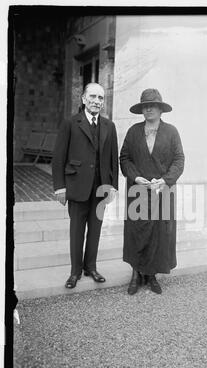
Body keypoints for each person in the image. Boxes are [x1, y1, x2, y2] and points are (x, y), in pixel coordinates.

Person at [52, 83, 118, 289]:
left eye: (100, 98)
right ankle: (75, 272)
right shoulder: (70, 123)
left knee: (96, 230)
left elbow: (113, 159)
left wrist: (113, 186)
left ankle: (91, 267)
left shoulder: (109, 126)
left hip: (100, 188)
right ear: (83, 99)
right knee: (77, 230)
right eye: (93, 96)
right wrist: (59, 187)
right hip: (77, 186)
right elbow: (58, 157)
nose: (97, 101)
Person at [120, 88, 184, 295]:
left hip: (162, 191)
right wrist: (136, 177)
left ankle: (152, 274)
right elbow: (125, 158)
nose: (148, 109)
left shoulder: (171, 132)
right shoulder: (133, 131)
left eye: (152, 105)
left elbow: (179, 160)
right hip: (138, 191)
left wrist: (165, 181)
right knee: (137, 232)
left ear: (160, 109)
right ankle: (136, 273)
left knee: (159, 233)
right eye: (145, 106)